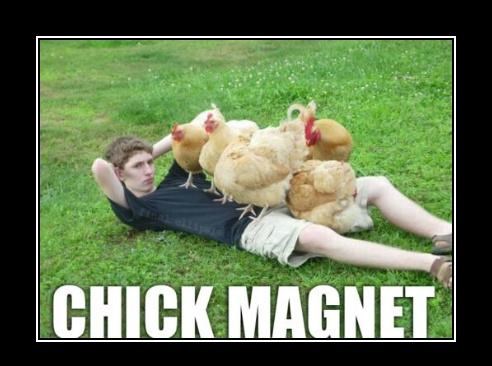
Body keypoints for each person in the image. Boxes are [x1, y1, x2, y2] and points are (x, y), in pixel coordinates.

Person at [92, 129, 453, 289]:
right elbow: (100, 167)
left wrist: (146, 151)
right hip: (248, 228)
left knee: (375, 184)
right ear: (121, 174)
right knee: (319, 238)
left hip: (269, 196)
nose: (149, 169)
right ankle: (433, 265)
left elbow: (201, 119)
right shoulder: (139, 207)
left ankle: (445, 232)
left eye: (149, 162)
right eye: (138, 167)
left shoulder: (178, 176)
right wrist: (142, 153)